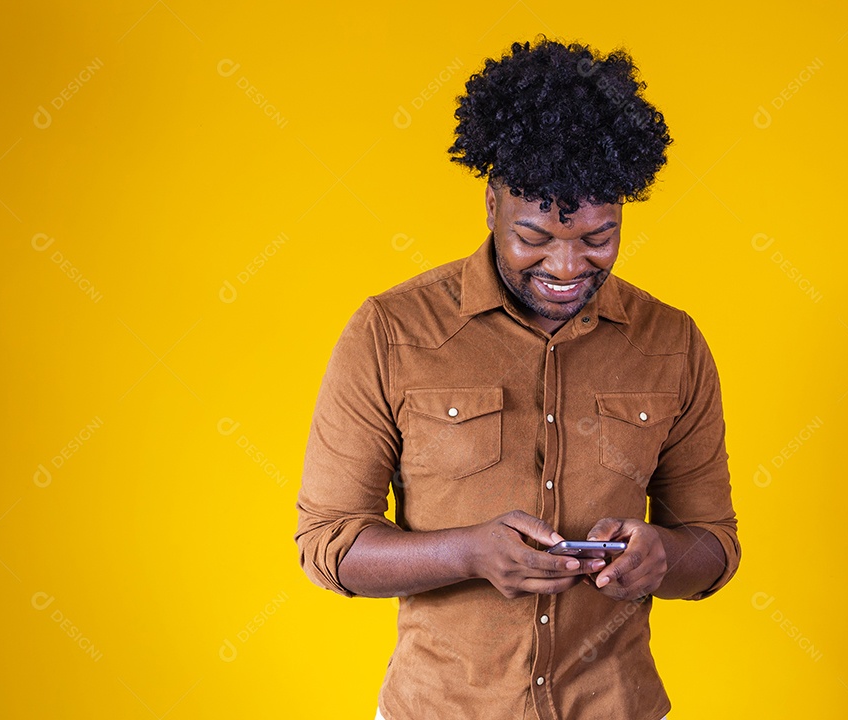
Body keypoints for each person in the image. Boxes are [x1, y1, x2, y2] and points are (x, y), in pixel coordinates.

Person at [295, 35, 740, 720]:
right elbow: (330, 544)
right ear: (491, 204)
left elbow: (712, 544)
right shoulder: (391, 332)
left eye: (598, 239)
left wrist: (662, 558)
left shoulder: (672, 343)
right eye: (534, 237)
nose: (566, 267)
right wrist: (468, 553)